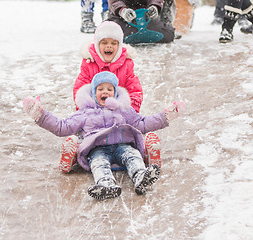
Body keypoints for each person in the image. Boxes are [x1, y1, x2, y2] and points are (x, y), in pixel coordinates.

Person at [23, 71, 186, 200]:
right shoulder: (85, 112)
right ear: (94, 93)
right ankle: (106, 184)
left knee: (133, 155)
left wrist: (166, 116)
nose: (105, 92)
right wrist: (41, 115)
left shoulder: (124, 110)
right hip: (97, 149)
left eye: (109, 89)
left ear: (115, 93)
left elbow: (143, 123)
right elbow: (62, 127)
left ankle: (140, 176)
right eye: (100, 89)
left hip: (123, 145)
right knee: (99, 164)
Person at [61, 21, 161, 174]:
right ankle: (74, 152)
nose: (109, 46)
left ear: (120, 45)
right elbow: (80, 89)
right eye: (105, 42)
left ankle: (147, 152)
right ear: (97, 44)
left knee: (133, 132)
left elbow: (135, 90)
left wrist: (127, 111)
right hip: (95, 115)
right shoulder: (89, 64)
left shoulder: (126, 64)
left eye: (114, 43)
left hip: (119, 113)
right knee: (85, 135)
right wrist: (87, 111)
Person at [107, 0, 175, 43]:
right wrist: (121, 10)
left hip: (147, 14)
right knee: (108, 35)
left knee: (168, 35)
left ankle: (166, 23)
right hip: (122, 16)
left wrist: (155, 6)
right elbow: (114, 1)